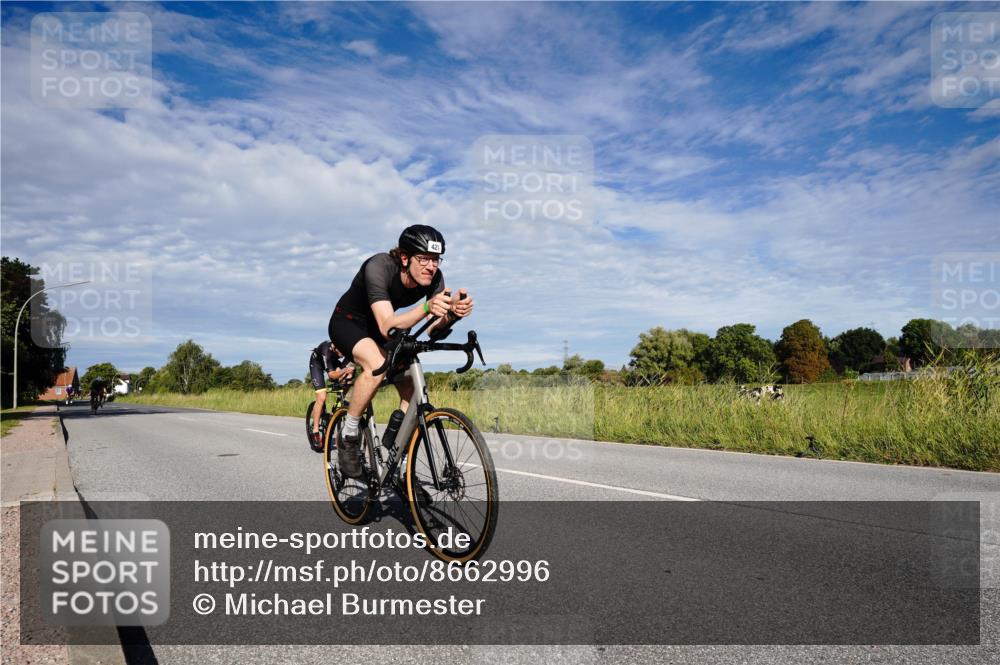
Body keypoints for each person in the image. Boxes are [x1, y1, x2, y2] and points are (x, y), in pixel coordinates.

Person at [328, 224, 473, 477]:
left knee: (410, 388)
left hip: (387, 325)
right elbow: (386, 326)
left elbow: (433, 330)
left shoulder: (434, 279)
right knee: (376, 364)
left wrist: (451, 315)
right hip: (349, 322)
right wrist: (428, 307)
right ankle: (348, 434)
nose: (431, 266)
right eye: (424, 259)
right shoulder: (379, 267)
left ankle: (393, 454)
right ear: (404, 257)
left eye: (436, 259)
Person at [308, 341, 353, 447]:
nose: (343, 354)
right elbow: (332, 375)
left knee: (348, 379)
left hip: (333, 362)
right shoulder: (326, 350)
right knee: (322, 397)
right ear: (334, 347)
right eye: (341, 351)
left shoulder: (345, 348)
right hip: (317, 365)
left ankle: (339, 404)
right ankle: (315, 431)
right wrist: (344, 370)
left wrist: (347, 373)